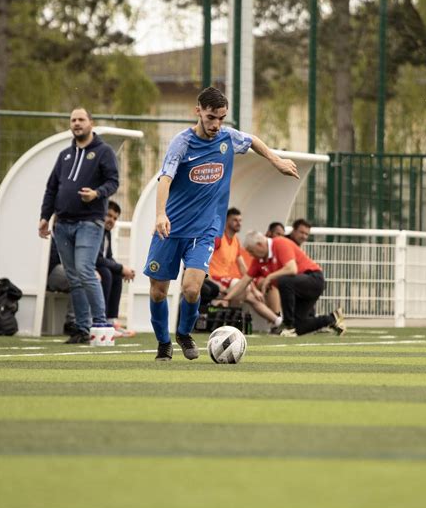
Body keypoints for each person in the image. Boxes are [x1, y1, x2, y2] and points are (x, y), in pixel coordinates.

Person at [143, 86, 299, 361]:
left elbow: (252, 140)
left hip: (203, 230)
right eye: (211, 117)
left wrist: (276, 161)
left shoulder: (228, 138)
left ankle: (183, 334)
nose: (216, 124)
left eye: (221, 118)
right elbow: (165, 179)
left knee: (192, 289)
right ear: (198, 111)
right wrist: (160, 214)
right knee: (158, 292)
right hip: (169, 229)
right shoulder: (182, 143)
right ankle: (163, 342)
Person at [38, 107, 119, 344]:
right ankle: (82, 329)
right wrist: (45, 216)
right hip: (62, 224)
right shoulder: (64, 155)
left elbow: (113, 181)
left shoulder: (103, 152)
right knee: (73, 276)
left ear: (91, 123)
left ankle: (102, 323)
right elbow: (52, 187)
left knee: (85, 270)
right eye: (73, 120)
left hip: (89, 222)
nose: (76, 123)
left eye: (81, 119)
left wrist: (96, 193)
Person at [222, 231, 346, 337]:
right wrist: (226, 298)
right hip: (300, 287)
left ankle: (288, 324)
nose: (250, 255)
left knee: (284, 280)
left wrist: (269, 277)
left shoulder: (279, 243)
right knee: (300, 327)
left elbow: (292, 269)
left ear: (259, 245)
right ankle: (333, 318)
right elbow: (244, 281)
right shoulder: (258, 261)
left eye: (251, 251)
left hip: (314, 279)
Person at [209, 207, 283, 329]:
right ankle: (276, 322)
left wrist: (255, 290)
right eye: (235, 220)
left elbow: (244, 270)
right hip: (216, 279)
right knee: (243, 289)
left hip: (228, 281)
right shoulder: (218, 238)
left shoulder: (236, 241)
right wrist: (211, 281)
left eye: (240, 220)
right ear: (226, 220)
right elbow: (205, 260)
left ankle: (277, 322)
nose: (239, 223)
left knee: (251, 295)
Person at [96, 200, 135, 336]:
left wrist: (121, 270)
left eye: (114, 218)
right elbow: (97, 258)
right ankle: (101, 319)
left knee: (116, 275)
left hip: (99, 266)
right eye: (109, 215)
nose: (111, 220)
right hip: (90, 267)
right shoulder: (96, 230)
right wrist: (120, 268)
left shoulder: (107, 233)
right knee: (107, 273)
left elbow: (109, 257)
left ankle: (111, 320)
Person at [46, 238, 77, 335]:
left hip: (65, 267)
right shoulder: (50, 231)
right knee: (79, 279)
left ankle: (99, 322)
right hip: (51, 270)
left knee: (94, 277)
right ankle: (72, 322)